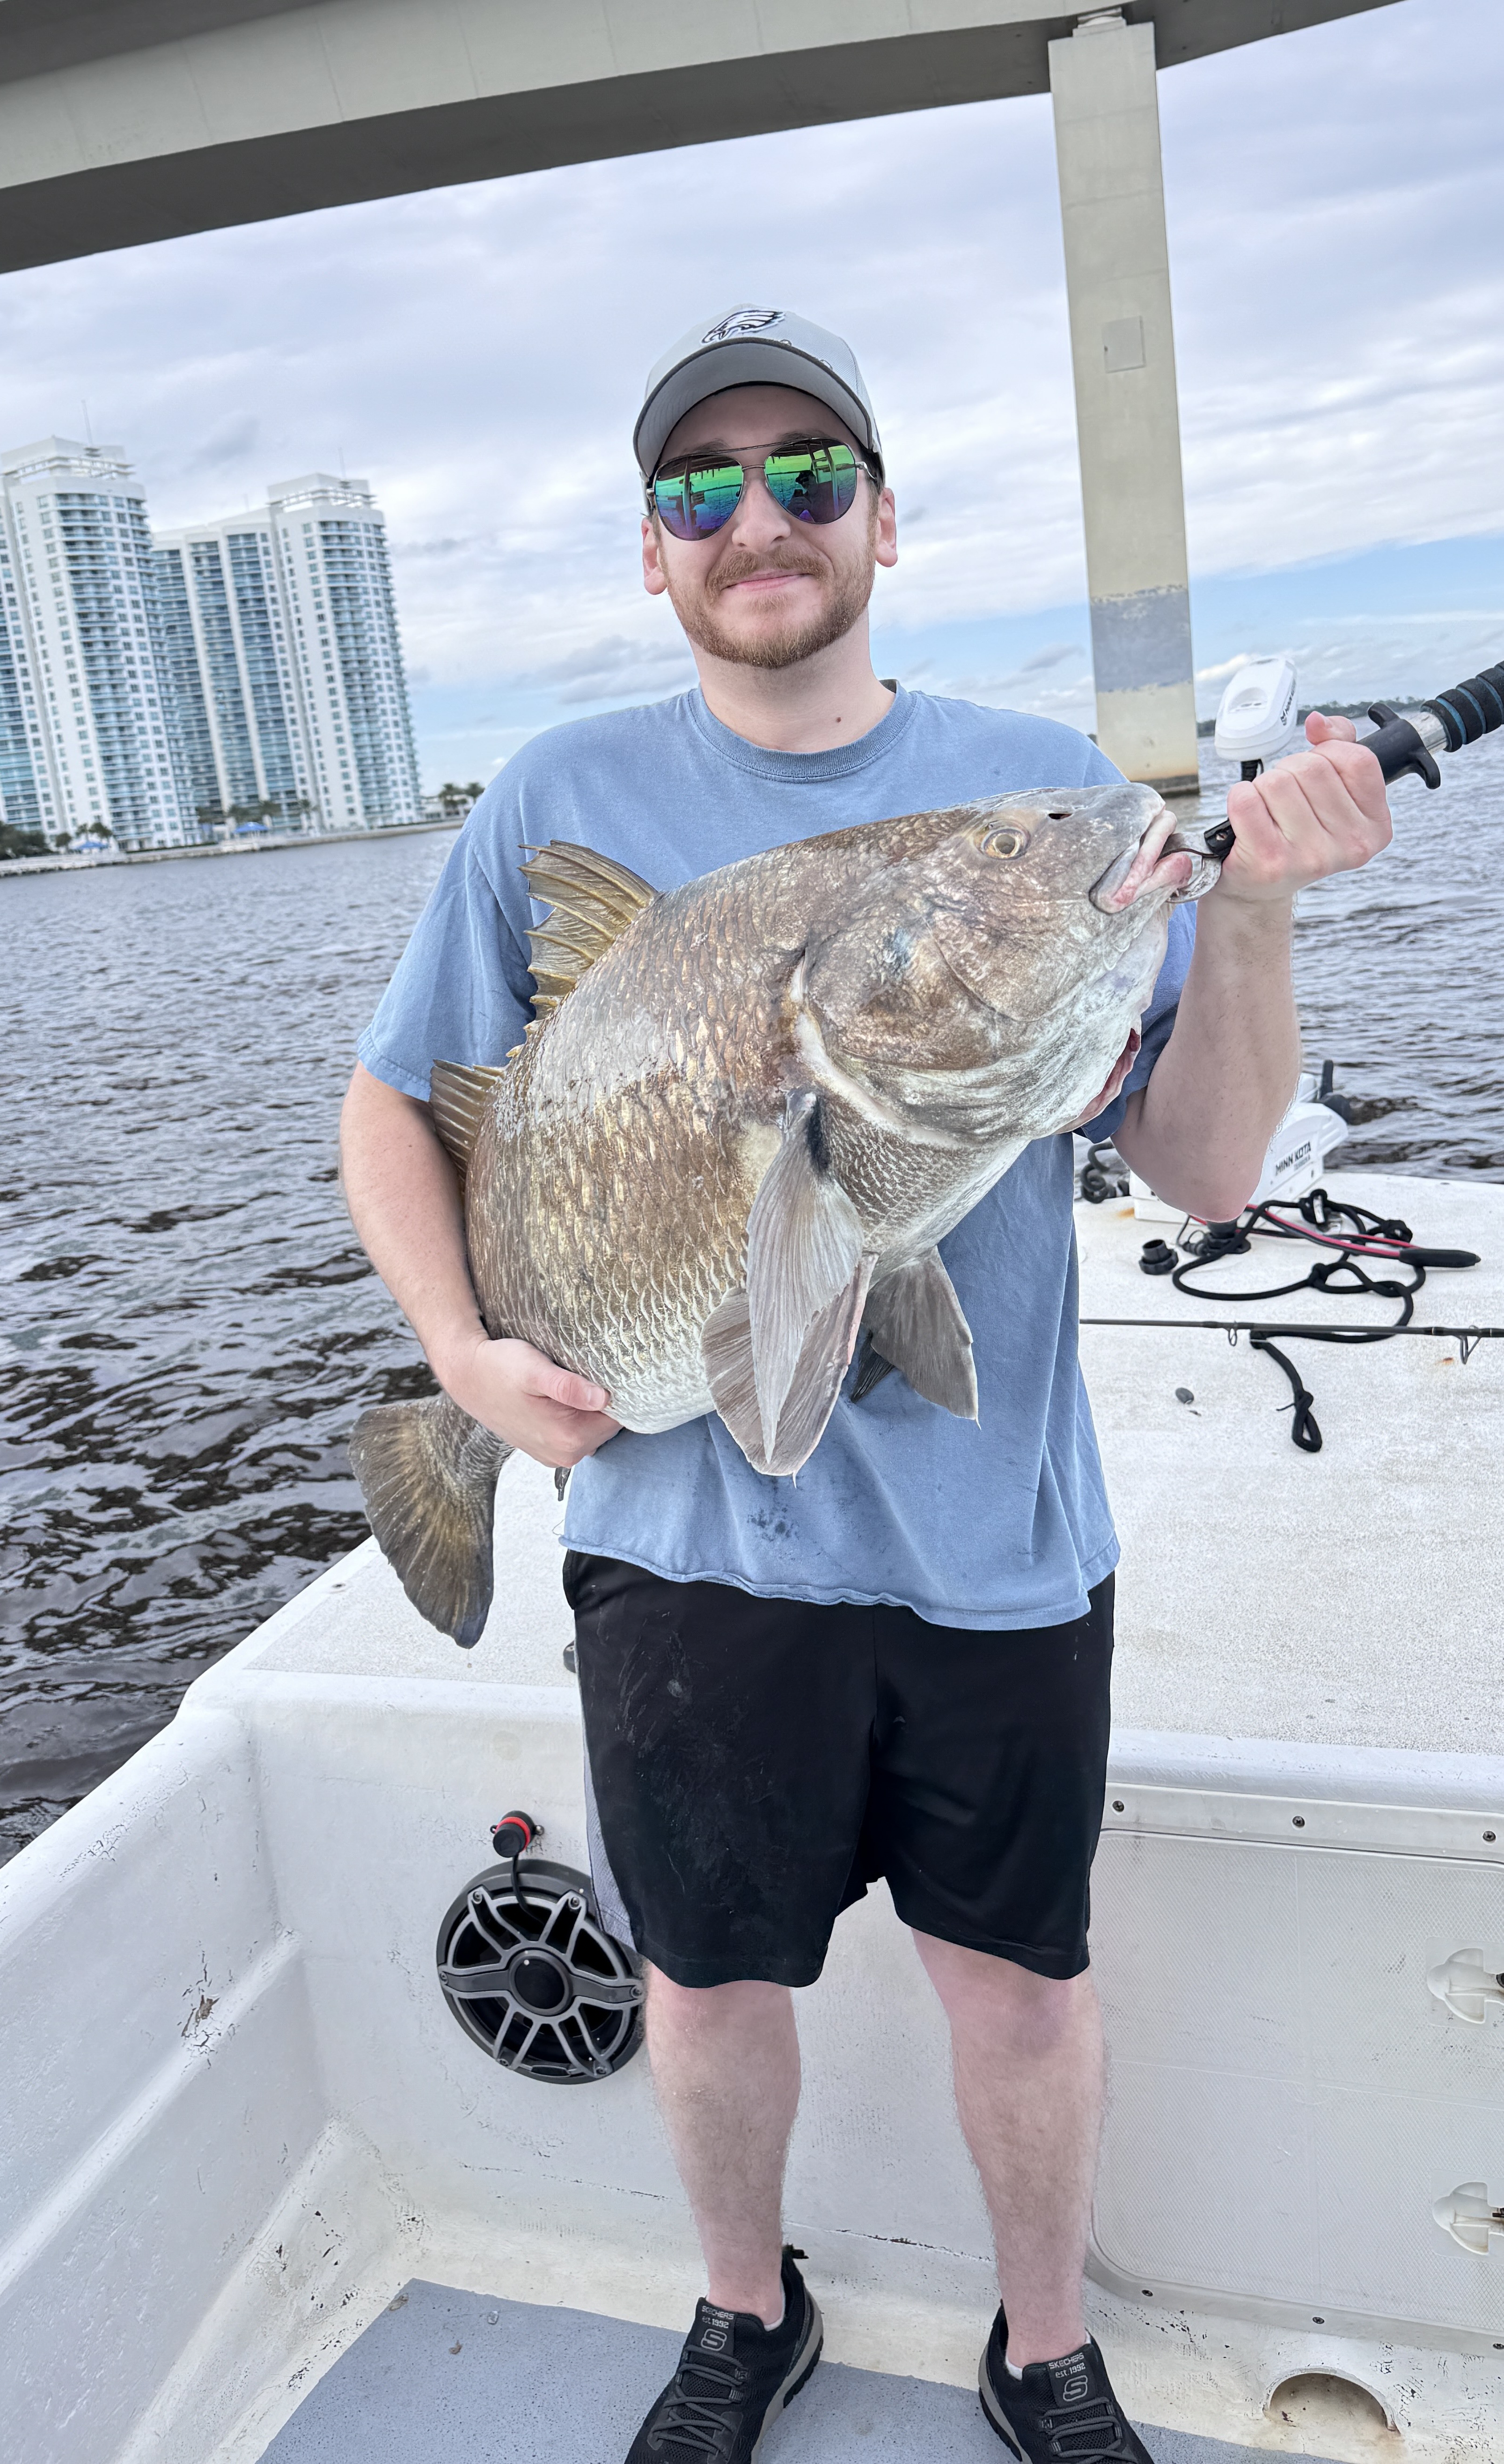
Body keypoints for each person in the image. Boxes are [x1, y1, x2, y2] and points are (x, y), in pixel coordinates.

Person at [342, 306, 1391, 2463]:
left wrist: (1263, 915)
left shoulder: (1045, 805)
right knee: (712, 1981)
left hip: (992, 1544)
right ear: (652, 554)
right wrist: (464, 1359)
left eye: (809, 473)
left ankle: (1046, 2346)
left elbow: (1195, 1162)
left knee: (1020, 1981)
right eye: (701, 487)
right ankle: (746, 2313)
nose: (758, 518)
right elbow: (394, 1112)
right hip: (681, 1539)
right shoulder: (556, 799)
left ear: (887, 519)